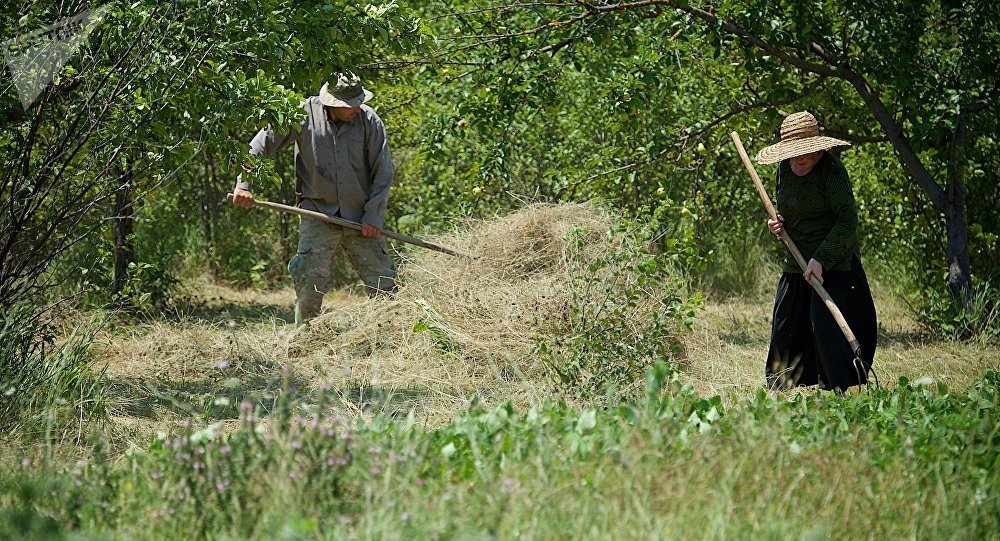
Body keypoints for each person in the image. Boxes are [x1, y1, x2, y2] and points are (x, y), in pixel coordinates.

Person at [231, 72, 398, 324]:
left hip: (361, 217)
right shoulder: (300, 114)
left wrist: (374, 215)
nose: (355, 108)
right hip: (317, 213)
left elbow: (383, 173)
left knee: (384, 283)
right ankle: (304, 339)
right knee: (310, 282)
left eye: (358, 101)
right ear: (331, 102)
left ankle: (395, 337)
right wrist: (243, 185)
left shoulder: (369, 120)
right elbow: (258, 147)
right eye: (348, 104)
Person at [756, 111, 878, 392]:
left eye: (807, 151)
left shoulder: (832, 172)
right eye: (796, 153)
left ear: (817, 146)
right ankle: (781, 388)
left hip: (833, 259)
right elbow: (788, 210)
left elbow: (847, 222)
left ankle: (837, 389)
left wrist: (820, 259)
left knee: (824, 327)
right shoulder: (783, 170)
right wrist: (778, 223)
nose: (801, 158)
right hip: (796, 258)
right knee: (785, 324)